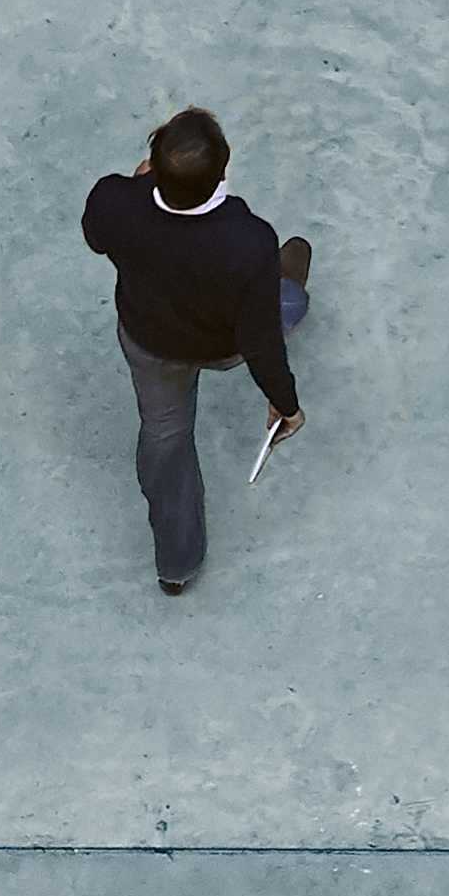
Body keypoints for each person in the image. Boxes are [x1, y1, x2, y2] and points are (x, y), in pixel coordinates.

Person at [77, 104, 307, 596]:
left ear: (151, 164)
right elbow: (259, 341)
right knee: (278, 300)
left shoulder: (113, 202)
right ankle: (293, 285)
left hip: (151, 341)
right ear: (223, 174)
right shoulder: (250, 241)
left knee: (165, 439)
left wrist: (137, 187)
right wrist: (284, 404)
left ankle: (176, 567)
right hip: (224, 343)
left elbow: (97, 237)